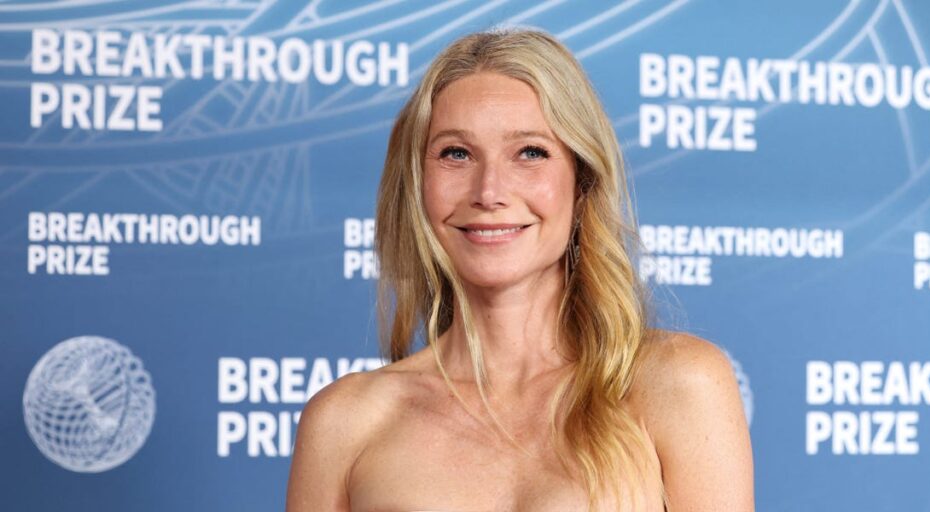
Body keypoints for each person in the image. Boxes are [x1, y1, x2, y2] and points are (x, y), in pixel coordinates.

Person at [286, 28, 753, 511]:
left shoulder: (679, 385)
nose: (489, 192)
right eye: (456, 153)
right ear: (417, 185)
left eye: (530, 152)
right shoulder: (345, 424)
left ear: (582, 184)